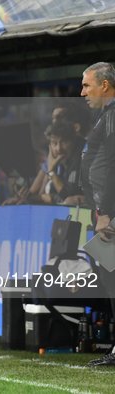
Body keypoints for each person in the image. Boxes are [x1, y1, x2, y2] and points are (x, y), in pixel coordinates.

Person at [80, 62, 115, 367]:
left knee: (113, 277)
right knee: (109, 276)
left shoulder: (113, 115)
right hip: (104, 211)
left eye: (87, 86)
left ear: (105, 85)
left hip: (110, 215)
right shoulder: (107, 116)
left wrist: (105, 213)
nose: (83, 93)